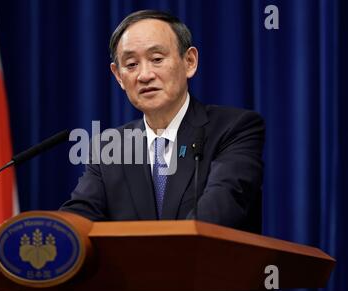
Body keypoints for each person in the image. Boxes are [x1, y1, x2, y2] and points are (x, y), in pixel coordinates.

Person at [61, 10, 265, 233]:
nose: (144, 75)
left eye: (157, 59)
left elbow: (220, 208)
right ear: (118, 76)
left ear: (189, 61)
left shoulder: (234, 128)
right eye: (131, 65)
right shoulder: (110, 147)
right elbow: (79, 216)